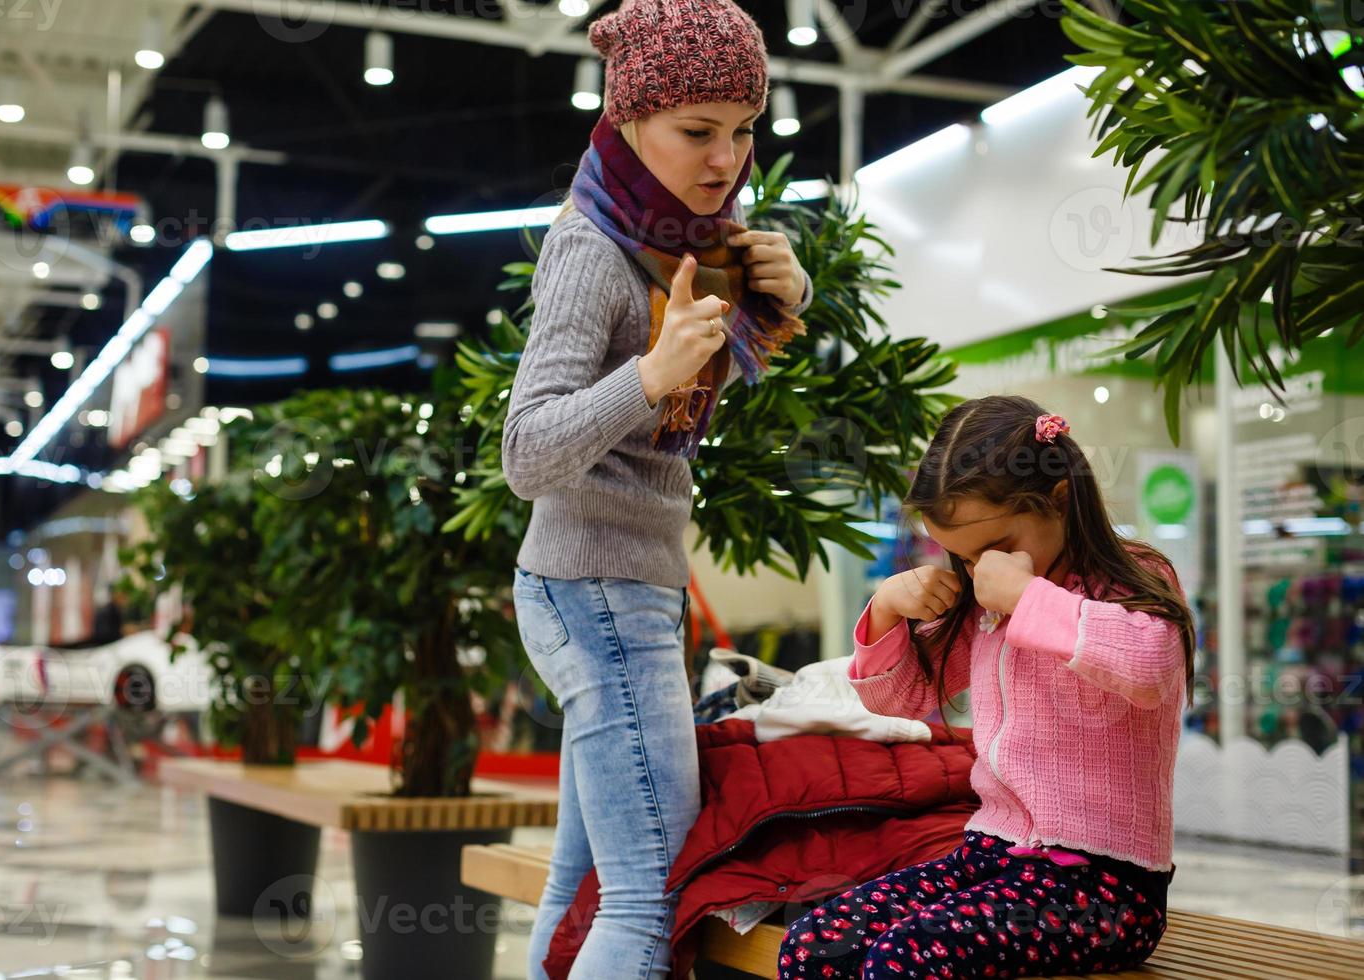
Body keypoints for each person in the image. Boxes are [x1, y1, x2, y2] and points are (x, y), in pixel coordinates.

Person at [501, 1, 814, 976]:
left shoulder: (688, 241)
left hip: (625, 581)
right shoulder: (594, 249)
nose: (727, 157)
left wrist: (788, 297)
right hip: (593, 582)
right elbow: (524, 453)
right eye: (697, 130)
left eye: (743, 129)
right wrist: (648, 375)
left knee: (584, 883)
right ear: (629, 120)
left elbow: (684, 413)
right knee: (648, 899)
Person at [778, 395, 1196, 978]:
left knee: (902, 962)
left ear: (1059, 500)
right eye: (961, 555)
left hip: (1106, 886)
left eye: (994, 547)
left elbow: (1150, 666)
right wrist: (885, 613)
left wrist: (1029, 598)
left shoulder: (1135, 576)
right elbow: (899, 700)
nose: (978, 569)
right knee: (814, 943)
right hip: (992, 855)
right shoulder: (985, 604)